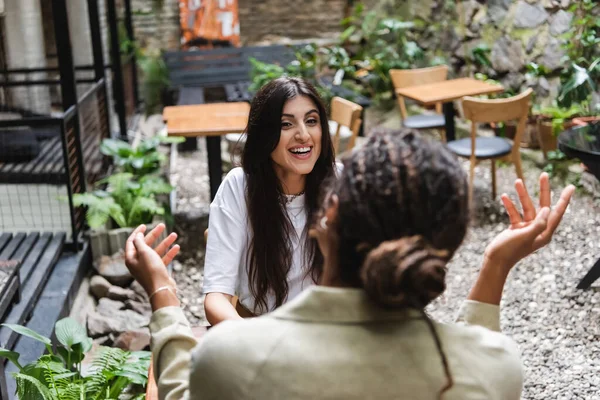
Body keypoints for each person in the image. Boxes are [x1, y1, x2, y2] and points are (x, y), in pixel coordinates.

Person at [125, 129, 575, 400]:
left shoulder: (235, 360)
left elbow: (183, 392)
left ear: (327, 216)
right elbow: (468, 364)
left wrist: (163, 294)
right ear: (450, 243)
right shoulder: (497, 368)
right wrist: (495, 264)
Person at [202, 77, 337, 323]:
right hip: (257, 329)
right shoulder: (239, 186)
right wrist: (258, 344)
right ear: (265, 134)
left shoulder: (340, 183)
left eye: (311, 121)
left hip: (327, 332)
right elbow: (216, 298)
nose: (303, 135)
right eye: (286, 124)